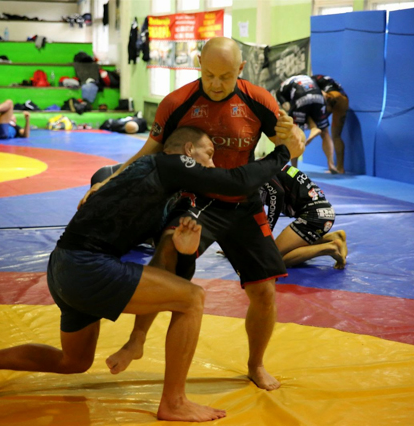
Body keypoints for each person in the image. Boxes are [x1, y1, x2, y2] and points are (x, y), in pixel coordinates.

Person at [0, 126, 297, 422]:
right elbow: (236, 182)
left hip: (62, 266)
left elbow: (165, 266)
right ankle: (174, 402)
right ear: (189, 151)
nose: (212, 165)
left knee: (74, 360)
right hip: (87, 265)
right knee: (193, 299)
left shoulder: (157, 187)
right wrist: (284, 152)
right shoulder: (167, 164)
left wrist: (185, 247)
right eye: (208, 155)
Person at [83, 36, 306, 391]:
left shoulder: (258, 99)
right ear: (199, 64)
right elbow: (148, 152)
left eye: (226, 77)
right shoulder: (177, 103)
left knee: (265, 291)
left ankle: (256, 364)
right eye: (209, 75)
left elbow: (290, 144)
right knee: (166, 255)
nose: (216, 84)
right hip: (198, 199)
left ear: (241, 69)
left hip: (244, 203)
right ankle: (136, 340)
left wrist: (294, 136)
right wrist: (108, 182)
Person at [261, 164, 347, 268]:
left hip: (313, 216)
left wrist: (268, 230)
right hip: (322, 212)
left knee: (274, 260)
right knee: (280, 253)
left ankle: (329, 248)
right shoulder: (265, 166)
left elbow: (278, 194)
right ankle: (332, 237)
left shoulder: (257, 171)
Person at [276, 74, 339, 174]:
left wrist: (296, 115)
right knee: (325, 132)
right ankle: (331, 165)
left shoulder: (280, 91)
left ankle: (294, 169)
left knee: (294, 135)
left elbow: (287, 106)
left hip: (300, 97)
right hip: (318, 96)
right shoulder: (306, 78)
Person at [312, 75, 348, 174]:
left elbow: (321, 94)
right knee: (336, 136)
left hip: (331, 97)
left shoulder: (309, 82)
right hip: (343, 99)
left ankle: (331, 164)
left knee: (324, 133)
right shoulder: (322, 79)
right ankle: (340, 168)